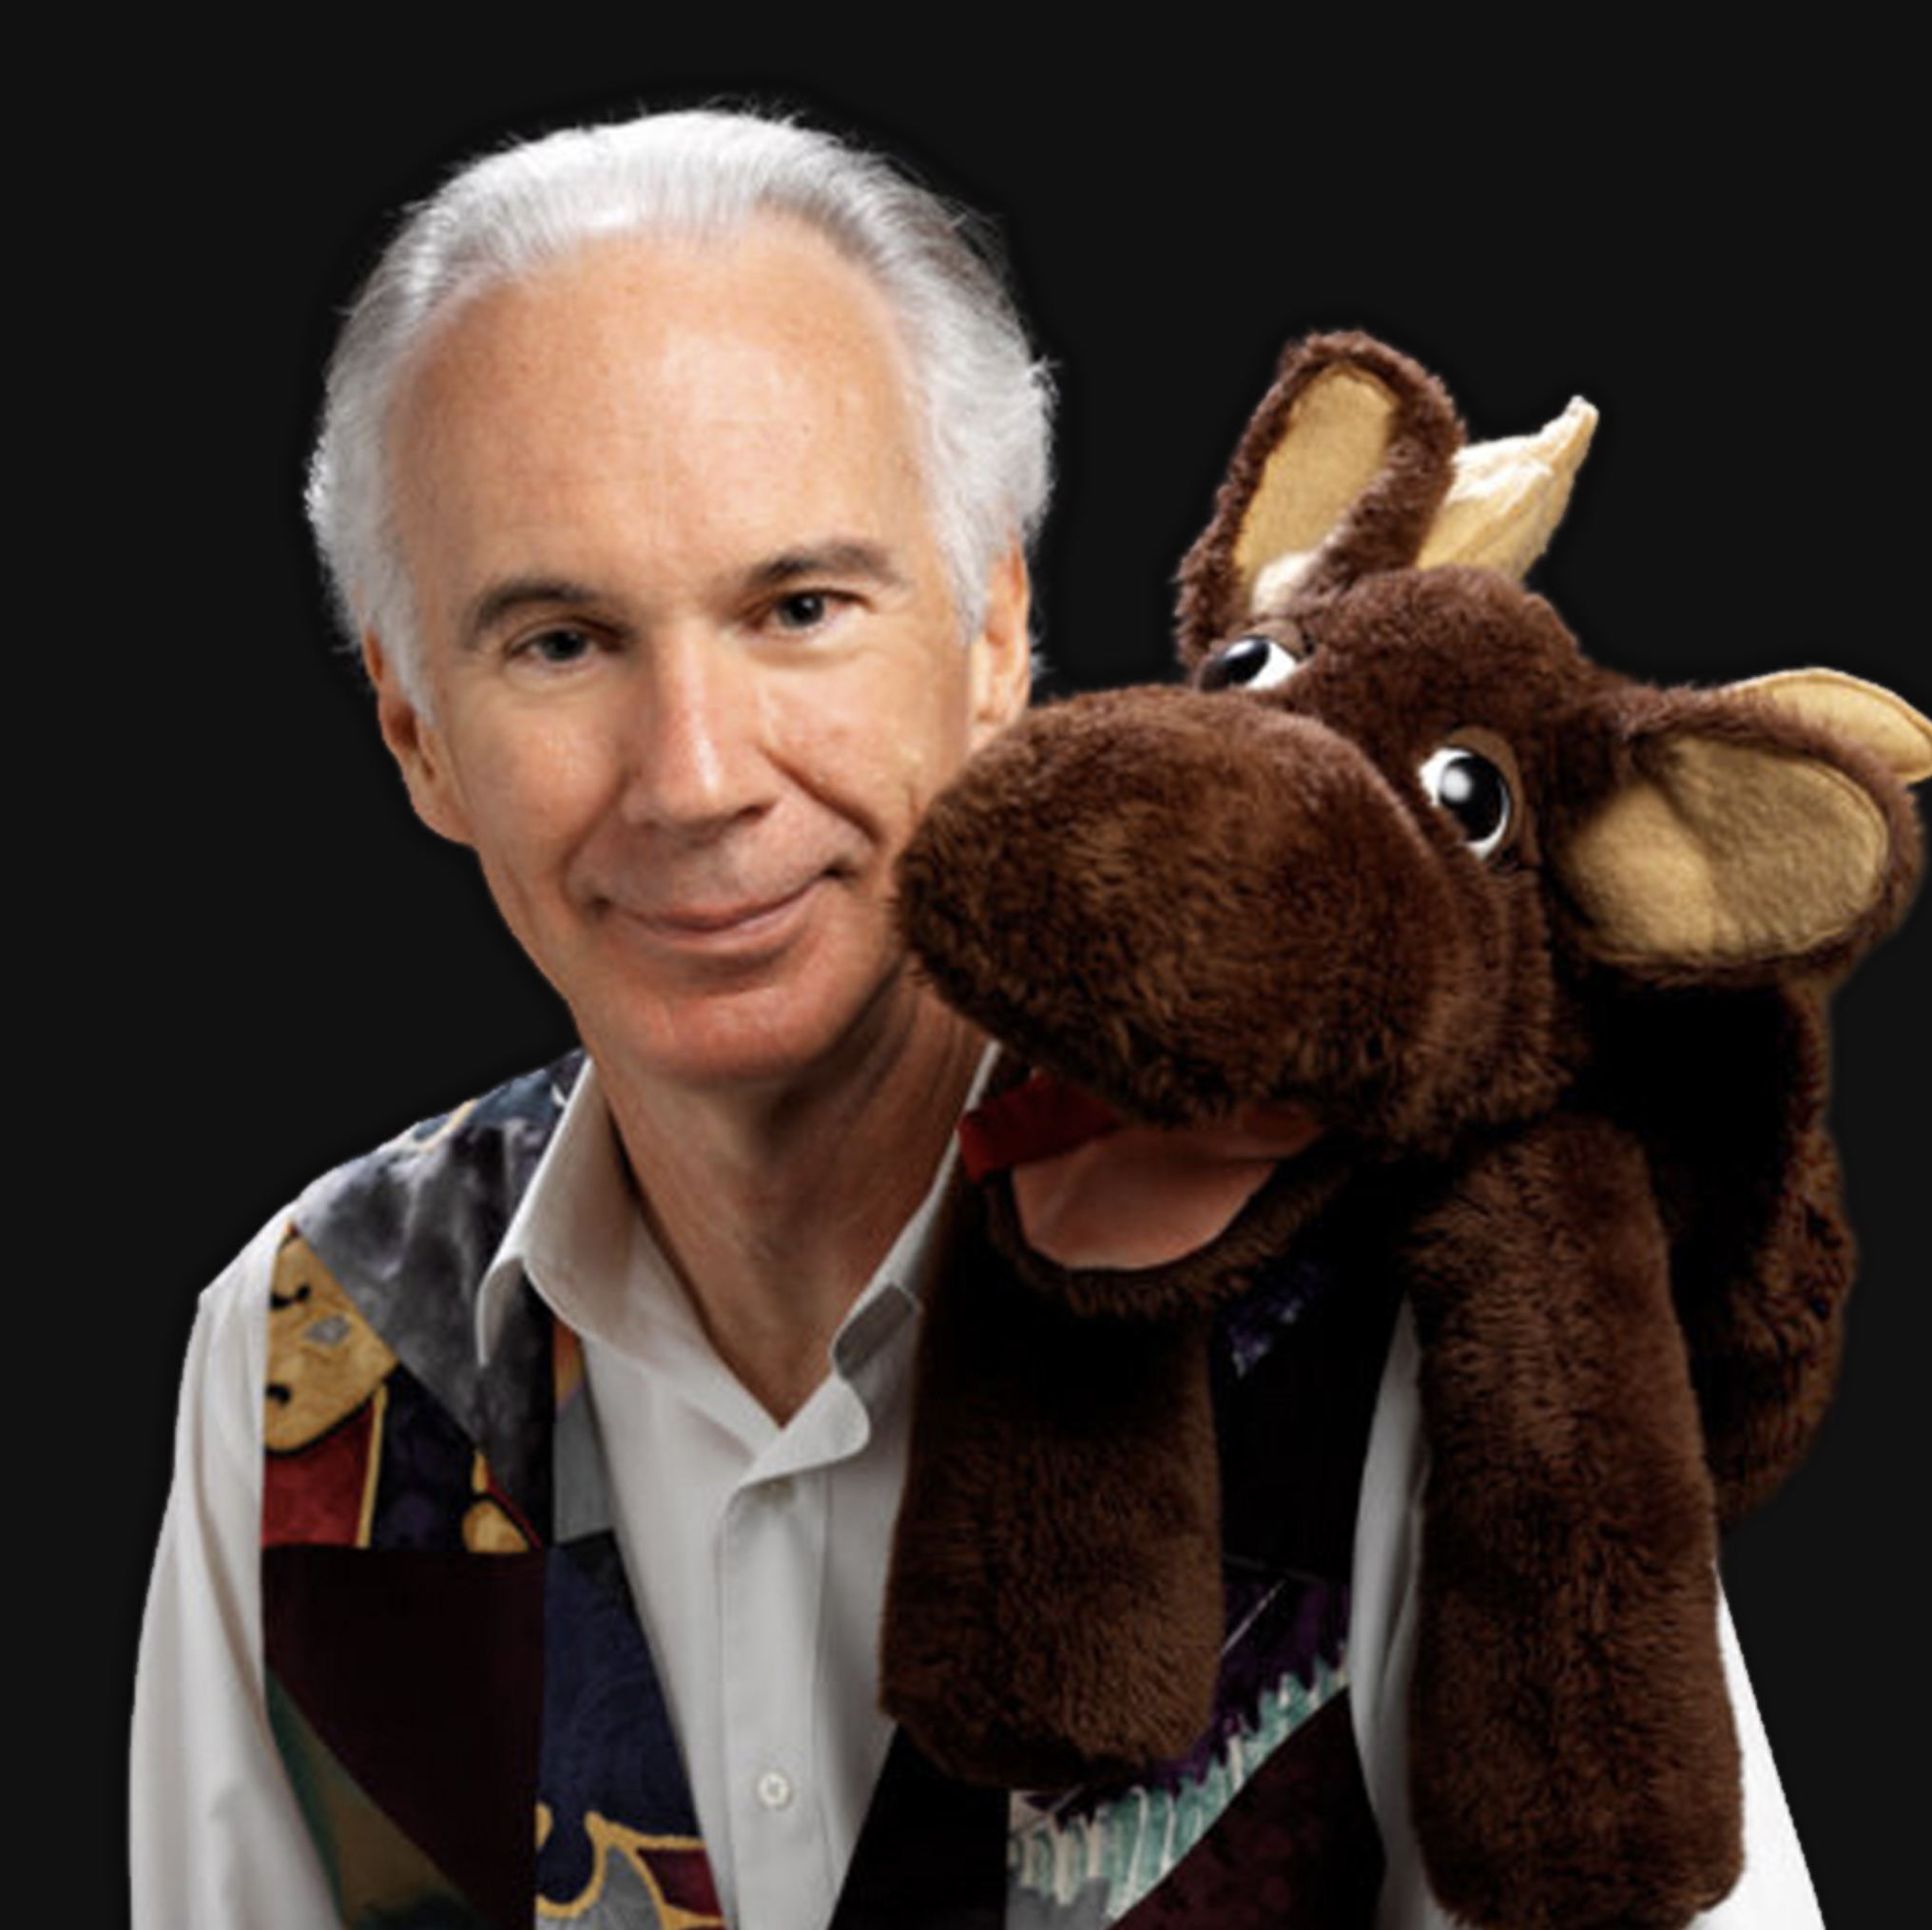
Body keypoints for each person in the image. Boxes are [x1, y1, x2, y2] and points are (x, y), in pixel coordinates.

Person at [129, 104, 1825, 1930]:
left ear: (995, 633)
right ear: (415, 730)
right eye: (560, 642)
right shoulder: (301, 1353)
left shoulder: (1426, 1310)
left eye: (799, 606)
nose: (695, 778)